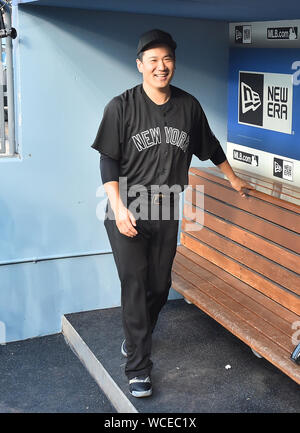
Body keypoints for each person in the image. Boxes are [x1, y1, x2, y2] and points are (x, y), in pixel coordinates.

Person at [91, 29, 254, 398]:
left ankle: (136, 336)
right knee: (135, 285)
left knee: (160, 286)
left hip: (166, 210)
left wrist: (233, 180)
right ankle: (138, 366)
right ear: (140, 66)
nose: (161, 67)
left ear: (173, 64)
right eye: (153, 60)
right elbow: (108, 162)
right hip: (127, 207)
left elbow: (209, 147)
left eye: (167, 59)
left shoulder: (188, 106)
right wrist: (118, 210)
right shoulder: (121, 107)